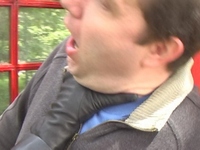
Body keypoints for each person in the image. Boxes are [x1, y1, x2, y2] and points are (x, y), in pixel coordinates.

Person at [1, 0, 200, 149]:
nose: (69, 3)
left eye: (105, 4)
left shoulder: (181, 138)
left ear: (159, 49)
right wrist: (54, 127)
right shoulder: (69, 53)